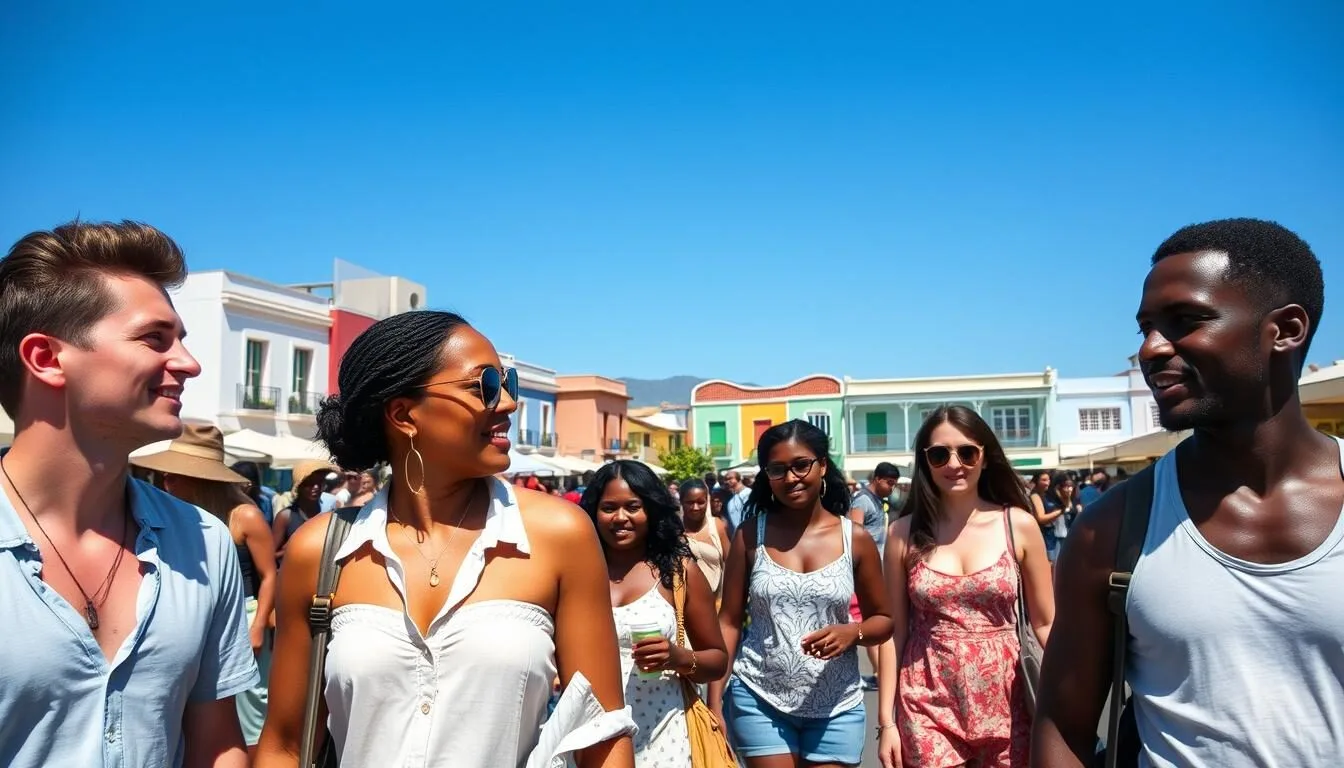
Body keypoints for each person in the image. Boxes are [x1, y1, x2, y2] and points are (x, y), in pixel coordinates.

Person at [255, 310, 635, 768]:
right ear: (404, 414)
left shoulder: (559, 536)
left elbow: (601, 735)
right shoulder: (321, 551)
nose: (509, 404)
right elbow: (285, 744)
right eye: (485, 385)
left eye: (509, 384)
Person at [1033, 218, 1344, 767]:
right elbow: (1063, 722)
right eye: (1146, 328)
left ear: (1286, 329)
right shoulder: (1112, 529)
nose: (1151, 350)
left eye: (1185, 321)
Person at [0, 220, 257, 767]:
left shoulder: (203, 544)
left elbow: (216, 745)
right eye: (154, 338)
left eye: (182, 339)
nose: (189, 363)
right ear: (47, 358)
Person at [876, 406, 1053, 768]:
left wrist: (1070, 699)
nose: (954, 463)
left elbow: (1046, 623)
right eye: (939, 454)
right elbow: (895, 633)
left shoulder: (1017, 524)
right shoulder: (902, 533)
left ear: (985, 458)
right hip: (925, 696)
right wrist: (886, 722)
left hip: (1009, 697)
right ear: (925, 462)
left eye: (967, 452)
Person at [709, 419, 893, 767]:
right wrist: (715, 701)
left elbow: (883, 621)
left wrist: (852, 632)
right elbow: (730, 622)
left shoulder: (855, 539)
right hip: (758, 697)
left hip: (837, 703)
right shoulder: (750, 536)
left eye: (801, 465)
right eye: (777, 470)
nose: (791, 477)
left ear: (822, 465)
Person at [132, 424, 278, 760]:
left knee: (250, 706)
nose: (164, 482)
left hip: (245, 613)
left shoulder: (245, 515)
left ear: (198, 477)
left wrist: (257, 627)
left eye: (173, 476)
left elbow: (270, 575)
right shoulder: (175, 520)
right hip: (196, 614)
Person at [580, 461, 729, 766]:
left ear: (651, 510)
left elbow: (717, 659)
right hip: (590, 737)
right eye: (609, 508)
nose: (620, 518)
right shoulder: (576, 573)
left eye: (633, 507)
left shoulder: (678, 572)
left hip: (666, 737)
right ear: (594, 512)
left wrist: (678, 657)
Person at [849, 461, 901, 690]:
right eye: (889, 483)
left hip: (876, 568)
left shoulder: (878, 501)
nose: (892, 487)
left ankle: (880, 672)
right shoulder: (862, 500)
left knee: (874, 620)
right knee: (871, 621)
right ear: (878, 479)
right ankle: (880, 673)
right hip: (864, 570)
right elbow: (853, 530)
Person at [677, 477, 730, 599]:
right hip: (682, 603)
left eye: (701, 502)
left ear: (708, 501)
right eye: (690, 502)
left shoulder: (717, 526)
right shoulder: (673, 531)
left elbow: (732, 564)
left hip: (716, 601)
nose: (695, 507)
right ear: (681, 502)